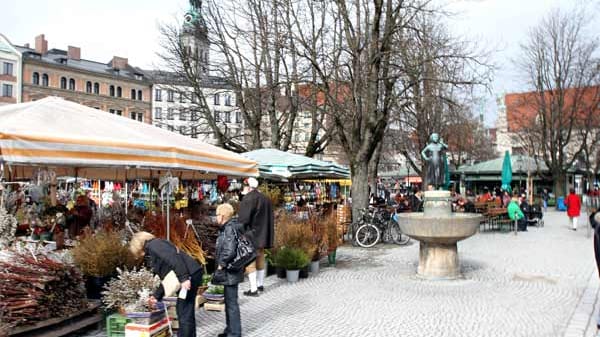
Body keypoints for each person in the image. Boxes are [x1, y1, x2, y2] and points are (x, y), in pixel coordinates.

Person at [129, 232, 203, 337]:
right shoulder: (155, 246)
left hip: (189, 275)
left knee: (184, 310)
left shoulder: (154, 245)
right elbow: (169, 278)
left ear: (138, 244)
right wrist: (156, 296)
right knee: (184, 309)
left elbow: (173, 258)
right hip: (191, 273)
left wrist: (184, 278)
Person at [238, 177, 274, 296]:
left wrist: (239, 233)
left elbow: (243, 220)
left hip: (251, 235)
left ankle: (253, 289)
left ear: (247, 186)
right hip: (263, 234)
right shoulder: (265, 198)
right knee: (260, 258)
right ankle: (260, 284)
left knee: (250, 260)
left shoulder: (248, 198)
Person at [215, 203, 244, 337]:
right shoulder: (229, 227)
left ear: (223, 215)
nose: (216, 218)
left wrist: (221, 264)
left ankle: (235, 332)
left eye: (217, 215)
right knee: (229, 301)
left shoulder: (229, 229)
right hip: (232, 271)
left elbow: (230, 250)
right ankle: (230, 329)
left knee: (231, 303)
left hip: (230, 271)